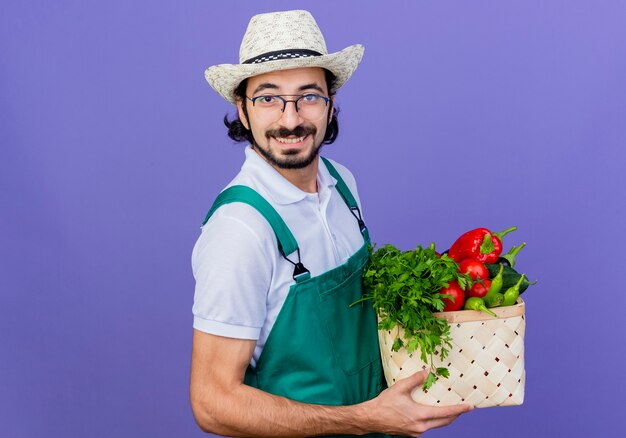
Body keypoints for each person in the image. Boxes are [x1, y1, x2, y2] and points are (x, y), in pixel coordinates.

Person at [190, 10, 472, 437]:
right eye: (268, 98)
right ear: (242, 111)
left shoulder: (341, 183)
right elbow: (213, 403)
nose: (291, 119)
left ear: (331, 103)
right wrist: (363, 418)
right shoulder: (241, 230)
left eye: (309, 96)